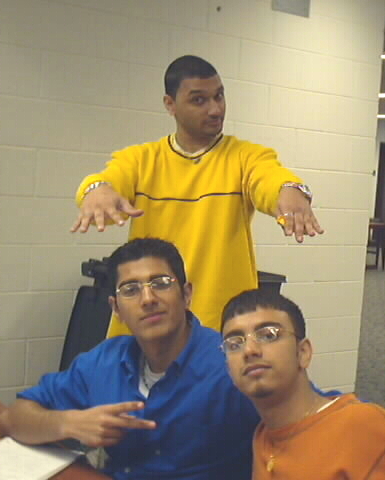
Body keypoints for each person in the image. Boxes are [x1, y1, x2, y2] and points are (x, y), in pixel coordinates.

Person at [0, 238, 385, 480]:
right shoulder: (101, 362)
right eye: (131, 289)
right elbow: (14, 417)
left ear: (186, 294)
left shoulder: (230, 366)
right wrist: (69, 424)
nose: (148, 298)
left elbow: (315, 415)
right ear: (116, 307)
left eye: (160, 283)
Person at [70, 55, 323, 334]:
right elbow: (106, 181)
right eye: (199, 100)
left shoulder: (245, 157)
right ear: (170, 104)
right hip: (149, 328)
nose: (215, 109)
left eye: (219, 96)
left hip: (220, 328)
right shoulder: (141, 160)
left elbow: (271, 178)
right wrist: (97, 190)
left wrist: (291, 190)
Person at [221, 289, 385, 480]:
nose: (250, 350)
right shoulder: (263, 438)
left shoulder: (361, 426)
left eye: (268, 335)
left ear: (303, 353)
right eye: (235, 344)